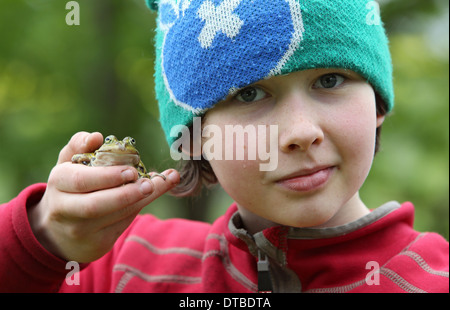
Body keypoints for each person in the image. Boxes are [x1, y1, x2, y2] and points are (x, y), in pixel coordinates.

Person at [0, 0, 448, 293]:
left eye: (330, 80)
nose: (300, 131)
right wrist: (41, 238)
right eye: (249, 94)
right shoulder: (125, 267)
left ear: (377, 104)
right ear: (194, 137)